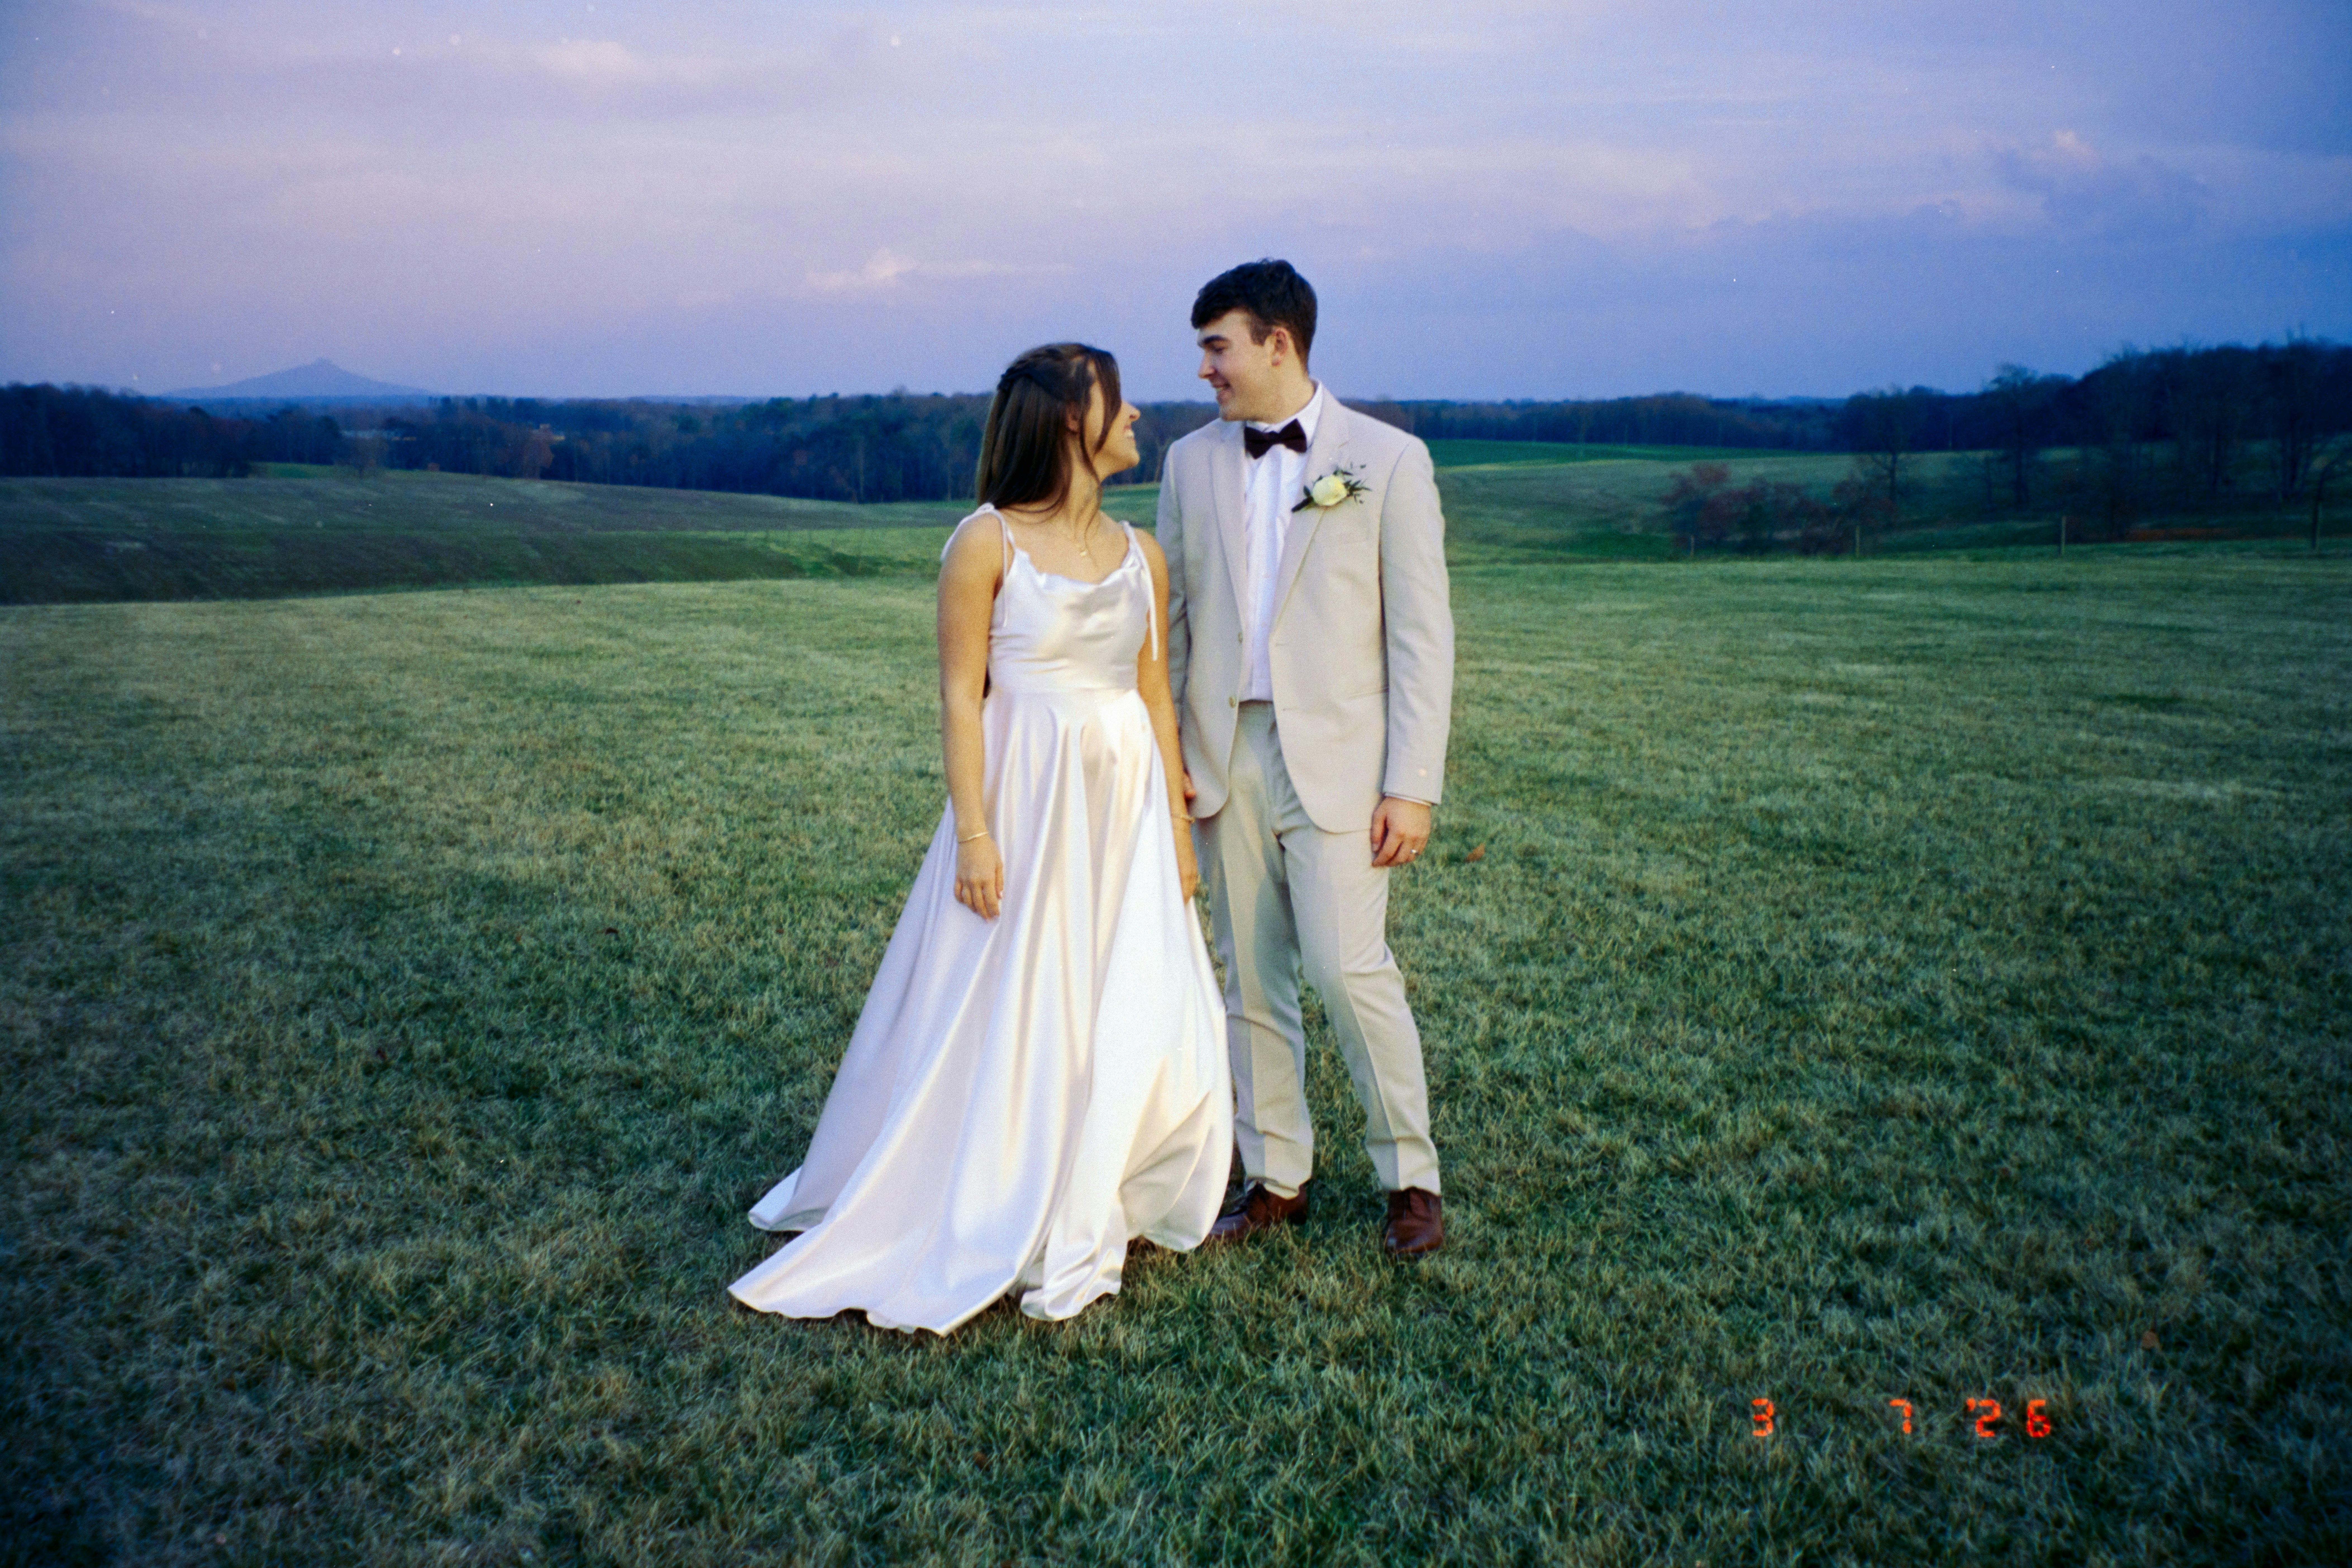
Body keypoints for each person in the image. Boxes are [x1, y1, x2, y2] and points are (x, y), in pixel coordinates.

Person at [728, 343, 1232, 1333]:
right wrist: (975, 835)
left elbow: (1155, 697)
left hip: (1121, 805)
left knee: (1126, 992)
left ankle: (1105, 1176)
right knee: (1005, 996)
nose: (1136, 418)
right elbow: (962, 698)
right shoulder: (985, 543)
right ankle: (989, 1184)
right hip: (1025, 800)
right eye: (1116, 404)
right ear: (1067, 426)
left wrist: (1176, 835)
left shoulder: (1143, 552)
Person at [1156, 259, 1456, 1257]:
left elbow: (1422, 637)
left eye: (1217, 347)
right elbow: (1179, 620)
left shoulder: (1388, 460)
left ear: (1277, 343)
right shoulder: (1187, 464)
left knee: (1346, 968)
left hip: (1340, 755)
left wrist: (1410, 786)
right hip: (1221, 750)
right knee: (1250, 978)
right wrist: (1175, 758)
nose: (1206, 370)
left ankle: (1410, 1176)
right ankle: (1276, 1174)